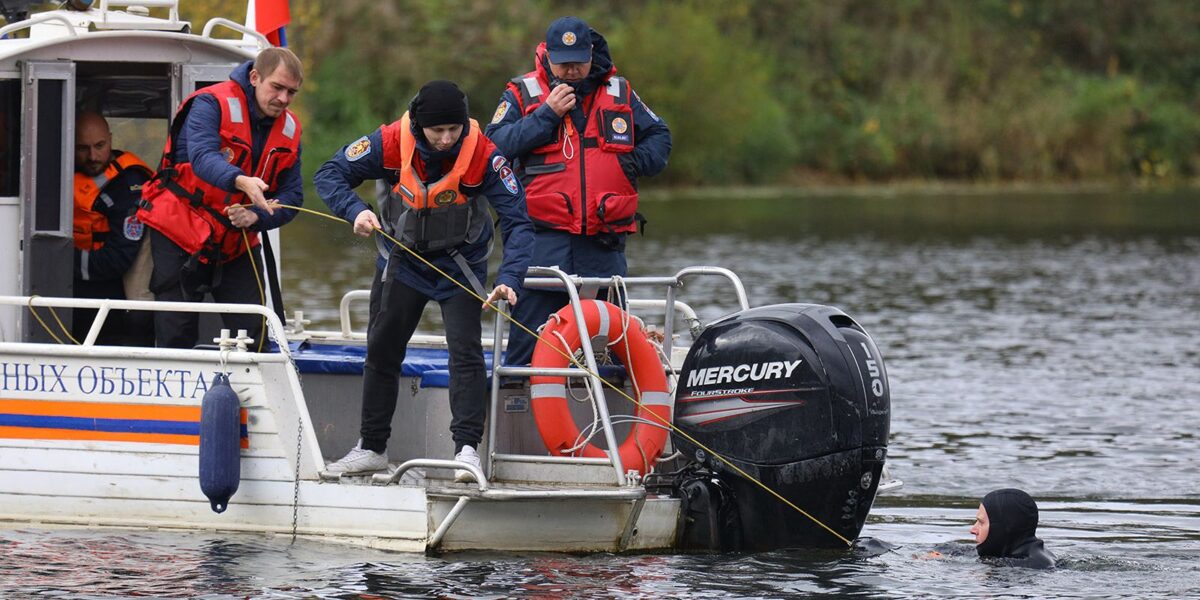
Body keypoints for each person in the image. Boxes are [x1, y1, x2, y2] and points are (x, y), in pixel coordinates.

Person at [315, 80, 533, 482]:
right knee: (381, 349)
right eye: (438, 132)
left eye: (454, 130)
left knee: (465, 353)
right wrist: (354, 211)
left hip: (461, 266)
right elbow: (329, 173)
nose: (447, 139)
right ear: (419, 125)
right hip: (404, 261)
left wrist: (510, 278)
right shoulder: (389, 142)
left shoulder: (484, 153)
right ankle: (372, 448)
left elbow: (519, 221)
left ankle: (466, 450)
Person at [485, 16, 671, 368]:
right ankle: (518, 414)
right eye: (563, 62)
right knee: (528, 350)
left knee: (615, 349)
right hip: (541, 243)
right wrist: (546, 116)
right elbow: (493, 146)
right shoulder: (522, 92)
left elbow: (660, 136)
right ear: (547, 56)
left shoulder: (620, 91)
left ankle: (618, 416)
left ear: (591, 53)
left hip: (604, 245)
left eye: (578, 62)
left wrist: (632, 163)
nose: (571, 70)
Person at [135, 47, 304, 350]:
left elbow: (293, 195)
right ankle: (175, 394)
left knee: (255, 332)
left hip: (236, 241)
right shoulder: (210, 103)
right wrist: (241, 181)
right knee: (177, 331)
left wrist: (257, 217)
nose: (283, 99)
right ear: (255, 77)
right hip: (180, 230)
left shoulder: (290, 130)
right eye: (277, 87)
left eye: (291, 92)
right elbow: (201, 157)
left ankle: (253, 396)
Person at [72, 111, 155, 345]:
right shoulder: (60, 173)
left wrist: (61, 262)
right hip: (76, 287)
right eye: (82, 148)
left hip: (114, 296)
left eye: (99, 145)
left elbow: (116, 259)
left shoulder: (129, 185)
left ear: (110, 139)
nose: (93, 156)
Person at [970, 488, 1056, 569]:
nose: (973, 530)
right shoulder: (1034, 555)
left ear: (1002, 527)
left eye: (981, 522)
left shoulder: (1033, 566)